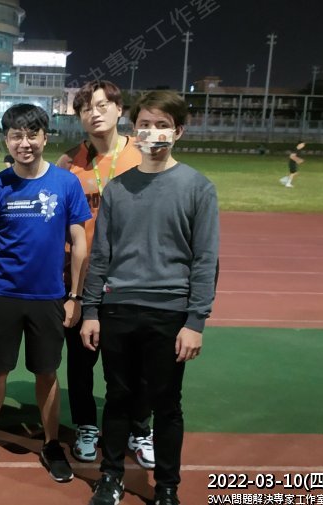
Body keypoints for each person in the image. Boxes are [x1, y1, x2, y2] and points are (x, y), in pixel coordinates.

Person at [80, 90, 219, 505]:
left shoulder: (197, 187)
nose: (152, 132)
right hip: (118, 308)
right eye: (145, 124)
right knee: (118, 397)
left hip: (169, 312)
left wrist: (195, 321)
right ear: (134, 128)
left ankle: (167, 486)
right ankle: (111, 477)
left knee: (166, 403)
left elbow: (205, 259)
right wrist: (91, 310)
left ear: (178, 132)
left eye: (162, 125)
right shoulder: (118, 189)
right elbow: (101, 255)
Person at [0, 104, 91, 483]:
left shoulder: (66, 183)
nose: (25, 143)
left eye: (32, 135)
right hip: (2, 295)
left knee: (47, 372)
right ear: (6, 140)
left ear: (45, 137)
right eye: (17, 136)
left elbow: (80, 243)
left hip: (50, 297)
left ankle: (51, 444)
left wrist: (75, 296)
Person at [55, 80, 154, 469]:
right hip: (81, 280)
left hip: (131, 280)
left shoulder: (142, 155)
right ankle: (85, 426)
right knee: (81, 362)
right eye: (85, 108)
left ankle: (139, 428)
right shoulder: (68, 162)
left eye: (102, 105)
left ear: (119, 109)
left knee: (135, 364)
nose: (94, 113)